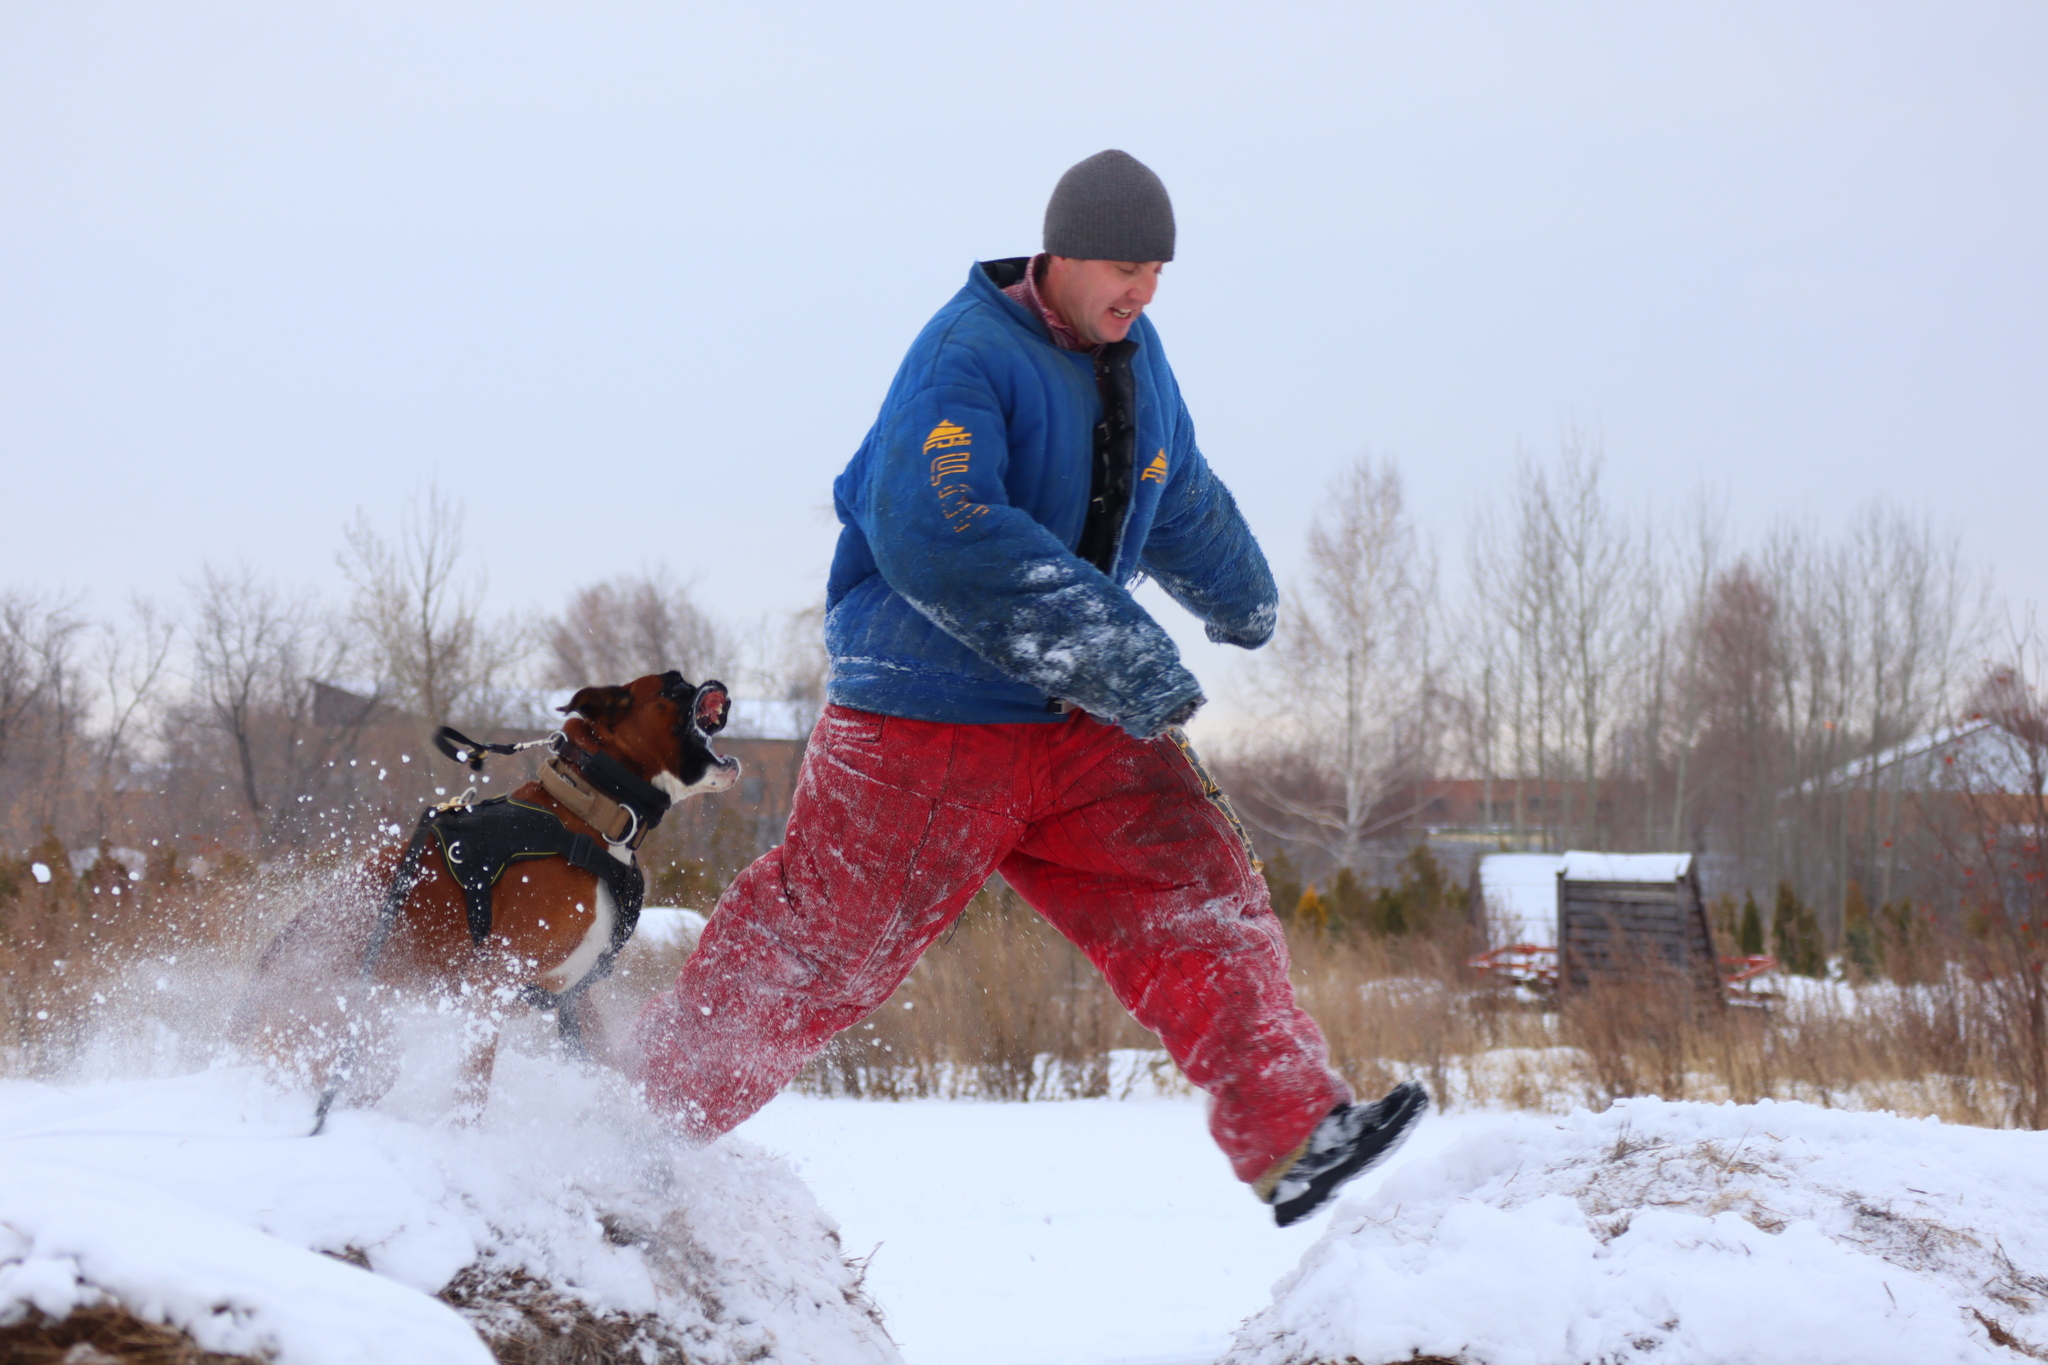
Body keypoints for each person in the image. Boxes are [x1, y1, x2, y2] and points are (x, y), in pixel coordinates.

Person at [632, 150, 1425, 1226]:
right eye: (1121, 267)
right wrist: (1118, 647)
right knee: (825, 950)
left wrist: (1238, 594)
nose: (1139, 291)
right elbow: (941, 532)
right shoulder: (965, 357)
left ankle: (1292, 1132)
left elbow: (1174, 484)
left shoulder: (1138, 359)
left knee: (1197, 899)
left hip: (1078, 726)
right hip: (927, 723)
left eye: (1155, 271)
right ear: (1056, 254)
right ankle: (630, 1126)